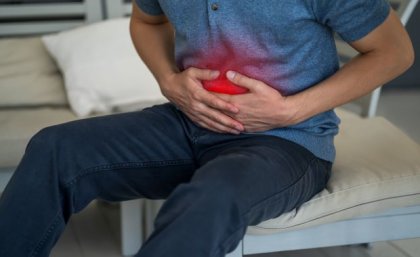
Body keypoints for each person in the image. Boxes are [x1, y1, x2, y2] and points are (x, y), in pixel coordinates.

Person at [0, 0, 414, 256]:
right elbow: (146, 22)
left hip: (286, 143)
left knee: (209, 198)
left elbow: (395, 51)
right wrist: (168, 80)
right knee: (56, 147)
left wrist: (290, 111)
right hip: (186, 123)